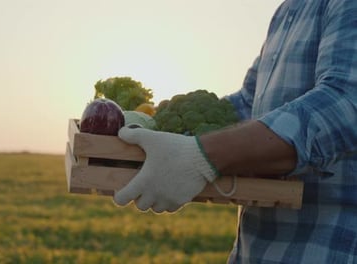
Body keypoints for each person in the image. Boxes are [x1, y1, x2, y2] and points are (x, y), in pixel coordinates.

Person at [112, 0, 357, 263]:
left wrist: (201, 156)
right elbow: (247, 104)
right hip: (253, 250)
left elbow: (346, 101)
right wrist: (163, 126)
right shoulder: (287, 11)